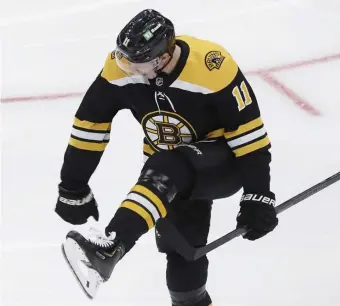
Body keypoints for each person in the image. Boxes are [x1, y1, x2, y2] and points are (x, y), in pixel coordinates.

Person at [55, 8, 279, 306]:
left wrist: (258, 195)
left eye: (136, 63)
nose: (126, 68)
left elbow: (250, 138)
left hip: (222, 163)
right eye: (123, 58)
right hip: (166, 174)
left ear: (161, 59)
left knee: (167, 163)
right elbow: (90, 124)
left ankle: (110, 248)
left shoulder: (212, 65)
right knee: (183, 253)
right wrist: (73, 185)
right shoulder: (121, 66)